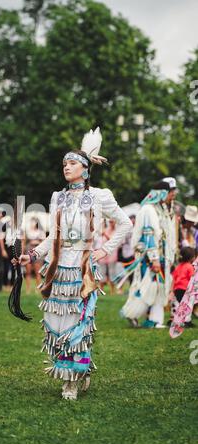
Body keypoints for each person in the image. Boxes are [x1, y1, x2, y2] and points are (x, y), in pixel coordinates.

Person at [12, 127, 132, 400]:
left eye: (72, 163)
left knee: (78, 324)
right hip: (57, 271)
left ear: (86, 169)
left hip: (83, 271)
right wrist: (31, 256)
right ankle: (75, 370)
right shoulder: (58, 197)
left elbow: (125, 224)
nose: (66, 167)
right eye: (64, 163)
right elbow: (52, 237)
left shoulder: (101, 196)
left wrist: (104, 251)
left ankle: (72, 381)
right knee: (56, 323)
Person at [117, 178, 177, 328]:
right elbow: (148, 235)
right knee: (145, 287)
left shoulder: (160, 209)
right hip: (149, 258)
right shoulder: (148, 210)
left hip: (160, 256)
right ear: (162, 193)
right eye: (170, 193)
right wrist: (154, 259)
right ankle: (132, 313)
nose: (172, 196)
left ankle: (155, 320)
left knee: (158, 288)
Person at [170, 255, 198, 338]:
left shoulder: (178, 266)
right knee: (188, 305)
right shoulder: (189, 266)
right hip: (186, 289)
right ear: (191, 257)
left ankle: (178, 321)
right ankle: (187, 321)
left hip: (177, 289)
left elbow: (174, 278)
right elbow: (192, 278)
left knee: (181, 306)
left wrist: (171, 290)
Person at [23, 217, 46, 294]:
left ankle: (38, 289)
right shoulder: (28, 232)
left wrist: (37, 242)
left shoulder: (41, 232)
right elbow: (24, 241)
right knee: (28, 271)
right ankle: (28, 289)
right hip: (29, 250)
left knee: (37, 272)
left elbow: (44, 243)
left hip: (38, 251)